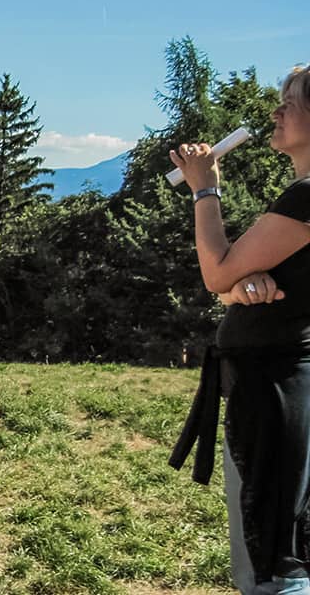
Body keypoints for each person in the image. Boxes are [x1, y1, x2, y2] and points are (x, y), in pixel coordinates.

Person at [169, 65, 310, 594]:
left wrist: (205, 190)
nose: (277, 111)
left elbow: (215, 269)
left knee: (273, 555)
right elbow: (232, 280)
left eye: (291, 102)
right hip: (283, 384)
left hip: (275, 388)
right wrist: (239, 287)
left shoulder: (306, 198)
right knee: (288, 535)